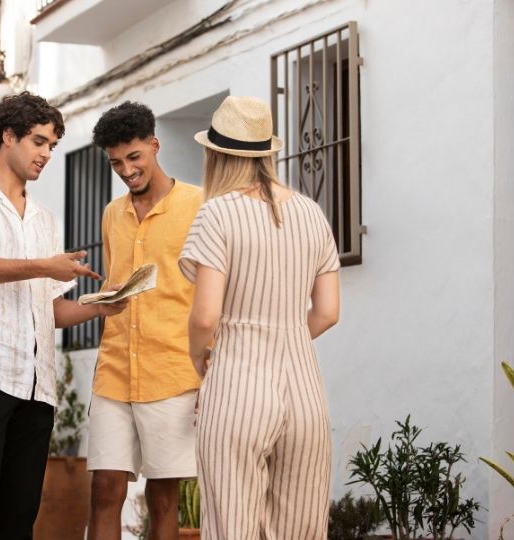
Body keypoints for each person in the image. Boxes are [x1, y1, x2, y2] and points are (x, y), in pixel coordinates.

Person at [0, 91, 127, 540]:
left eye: (52, 145)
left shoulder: (44, 219)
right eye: (38, 142)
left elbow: (48, 308)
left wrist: (101, 306)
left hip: (37, 385)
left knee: (17, 522)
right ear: (7, 136)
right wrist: (43, 266)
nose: (47, 154)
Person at [179, 95, 341, 539]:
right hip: (305, 391)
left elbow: (206, 316)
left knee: (233, 525)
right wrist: (285, 335)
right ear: (268, 152)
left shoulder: (216, 213)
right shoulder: (311, 213)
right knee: (301, 530)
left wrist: (199, 358)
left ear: (215, 155)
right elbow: (327, 312)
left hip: (235, 384)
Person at [86, 101, 203, 540]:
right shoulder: (111, 214)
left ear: (154, 146)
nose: (126, 170)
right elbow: (118, 283)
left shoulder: (197, 204)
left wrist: (208, 372)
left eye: (134, 157)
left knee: (163, 497)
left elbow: (211, 293)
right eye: (116, 162)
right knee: (104, 487)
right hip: (114, 371)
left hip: (172, 370)